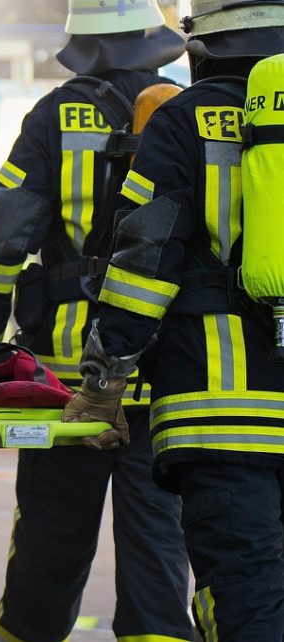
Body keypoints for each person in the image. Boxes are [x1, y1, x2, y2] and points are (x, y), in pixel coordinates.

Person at [0, 2, 194, 640]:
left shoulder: (51, 117)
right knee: (158, 551)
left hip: (63, 383)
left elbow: (3, 240)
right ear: (150, 36)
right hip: (163, 375)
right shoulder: (186, 113)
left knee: (48, 543)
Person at [62, 0, 284, 638]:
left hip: (219, 416)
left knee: (245, 598)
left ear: (202, 44)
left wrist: (103, 384)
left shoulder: (183, 119)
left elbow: (144, 262)